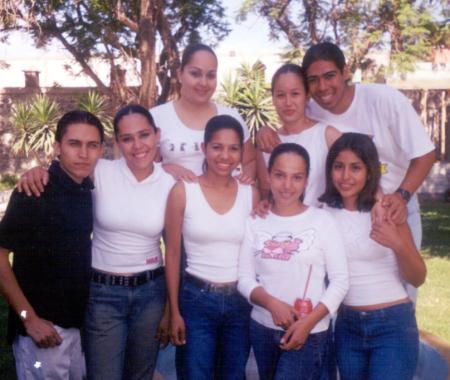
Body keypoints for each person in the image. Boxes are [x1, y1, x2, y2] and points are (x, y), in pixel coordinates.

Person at [256, 42, 445, 379]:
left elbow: (425, 154)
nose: (323, 86)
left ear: (346, 72)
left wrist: (396, 198)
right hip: (332, 230)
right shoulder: (314, 115)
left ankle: (411, 364)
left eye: (330, 76)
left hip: (393, 201)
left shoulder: (381, 100)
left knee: (401, 289)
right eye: (313, 80)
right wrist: (265, 134)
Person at [16, 105, 175, 380]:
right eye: (126, 138)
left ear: (157, 135)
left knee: (140, 375)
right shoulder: (100, 171)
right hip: (104, 294)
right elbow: (63, 170)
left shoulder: (172, 182)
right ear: (115, 144)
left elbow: (173, 249)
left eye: (144, 135)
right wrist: (36, 170)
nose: (137, 145)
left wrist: (171, 309)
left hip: (151, 294)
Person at [0, 110, 104, 379]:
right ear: (57, 147)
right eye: (74, 144)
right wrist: (28, 318)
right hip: (40, 334)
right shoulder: (33, 191)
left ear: (101, 150)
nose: (83, 153)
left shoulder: (85, 189)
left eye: (92, 145)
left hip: (75, 328)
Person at [319, 133, 426, 379]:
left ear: (369, 172)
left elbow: (418, 277)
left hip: (392, 325)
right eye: (339, 167)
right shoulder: (323, 214)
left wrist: (397, 243)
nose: (345, 176)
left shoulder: (389, 210)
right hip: (347, 326)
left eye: (355, 168)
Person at [238, 143, 349, 380]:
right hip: (262, 328)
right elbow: (244, 279)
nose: (287, 185)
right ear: (268, 176)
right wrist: (271, 303)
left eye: (296, 177)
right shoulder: (256, 220)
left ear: (307, 180)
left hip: (309, 332)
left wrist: (308, 323)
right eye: (280, 175)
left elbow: (340, 282)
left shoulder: (322, 221)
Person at [165, 114, 259, 379]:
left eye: (233, 148)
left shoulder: (250, 194)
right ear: (204, 148)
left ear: (242, 152)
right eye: (217, 147)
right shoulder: (184, 191)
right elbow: (172, 255)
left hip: (240, 302)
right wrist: (174, 311)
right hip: (196, 300)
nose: (224, 156)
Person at [151, 42, 256, 183]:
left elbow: (250, 161)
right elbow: (144, 168)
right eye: (195, 74)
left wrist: (245, 183)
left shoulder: (232, 117)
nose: (204, 83)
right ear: (180, 74)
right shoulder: (157, 117)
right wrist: (167, 168)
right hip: (174, 203)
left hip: (225, 202)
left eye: (211, 75)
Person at [257, 63, 341, 205]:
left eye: (295, 94)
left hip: (322, 223)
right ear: (273, 98)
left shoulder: (326, 135)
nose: (288, 102)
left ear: (307, 95)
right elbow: (265, 195)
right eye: (280, 95)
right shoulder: (267, 142)